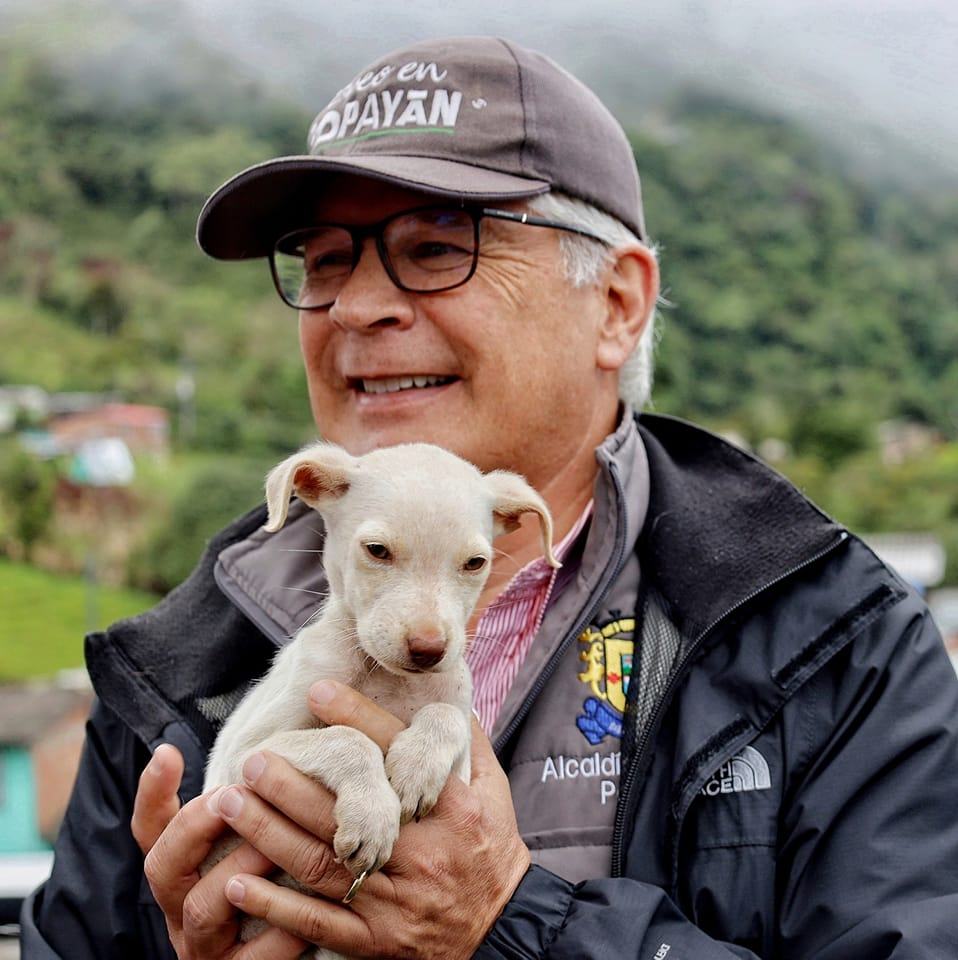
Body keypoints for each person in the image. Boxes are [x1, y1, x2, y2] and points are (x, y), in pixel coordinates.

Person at [21, 36, 958, 960]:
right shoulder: (181, 653)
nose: (356, 307)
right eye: (325, 260)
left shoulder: (828, 640)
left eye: (437, 247)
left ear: (619, 305)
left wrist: (512, 924)